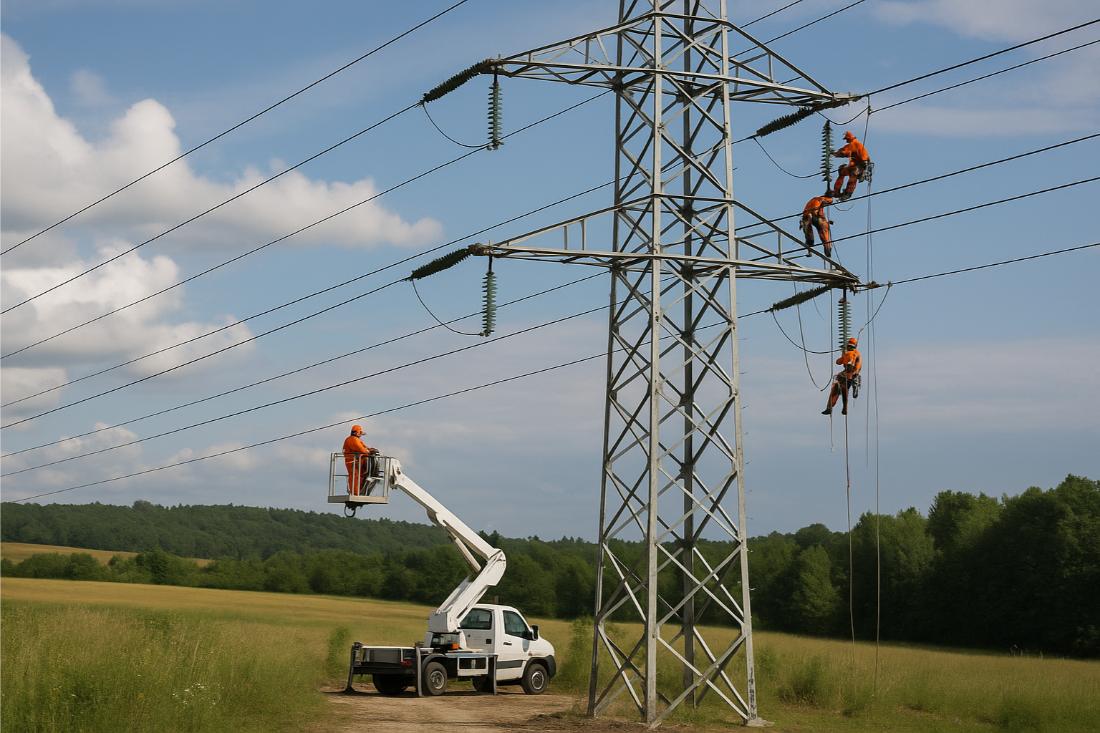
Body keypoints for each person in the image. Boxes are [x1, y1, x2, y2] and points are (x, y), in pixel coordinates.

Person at [822, 337, 862, 416]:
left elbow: (849, 364)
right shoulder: (851, 353)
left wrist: (844, 357)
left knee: (839, 389)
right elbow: (839, 361)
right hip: (850, 374)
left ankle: (832, 408)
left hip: (851, 375)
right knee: (838, 389)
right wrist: (843, 356)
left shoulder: (852, 354)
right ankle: (831, 407)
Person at [832, 131, 871, 201]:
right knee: (842, 171)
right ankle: (836, 191)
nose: (846, 140)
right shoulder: (851, 144)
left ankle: (848, 193)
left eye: (846, 139)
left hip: (861, 166)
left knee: (853, 173)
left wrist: (865, 167)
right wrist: (834, 153)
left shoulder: (856, 144)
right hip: (854, 166)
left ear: (849, 138)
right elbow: (844, 150)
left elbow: (844, 152)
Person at [342, 424, 377, 496]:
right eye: (360, 433)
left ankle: (358, 491)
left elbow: (363, 447)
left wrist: (370, 449)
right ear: (356, 432)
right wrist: (369, 452)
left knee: (359, 476)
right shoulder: (352, 440)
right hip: (352, 462)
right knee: (355, 477)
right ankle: (355, 493)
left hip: (356, 462)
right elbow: (361, 449)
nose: (361, 435)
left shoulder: (355, 439)